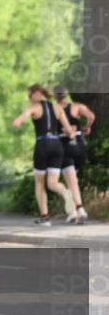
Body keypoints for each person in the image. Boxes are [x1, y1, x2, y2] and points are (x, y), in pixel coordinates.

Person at [12, 84, 76, 226]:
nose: (30, 99)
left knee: (40, 183)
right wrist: (73, 132)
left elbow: (17, 122)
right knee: (53, 183)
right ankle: (66, 192)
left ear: (37, 93)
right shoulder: (58, 108)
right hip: (56, 145)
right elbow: (69, 132)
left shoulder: (33, 108)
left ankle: (45, 217)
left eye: (30, 96)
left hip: (42, 145)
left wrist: (16, 121)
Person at [53, 85, 94, 224]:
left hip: (64, 145)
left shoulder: (54, 110)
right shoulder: (77, 107)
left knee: (71, 180)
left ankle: (80, 209)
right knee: (72, 179)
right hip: (79, 145)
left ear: (55, 96)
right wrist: (86, 127)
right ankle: (74, 212)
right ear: (67, 95)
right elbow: (91, 116)